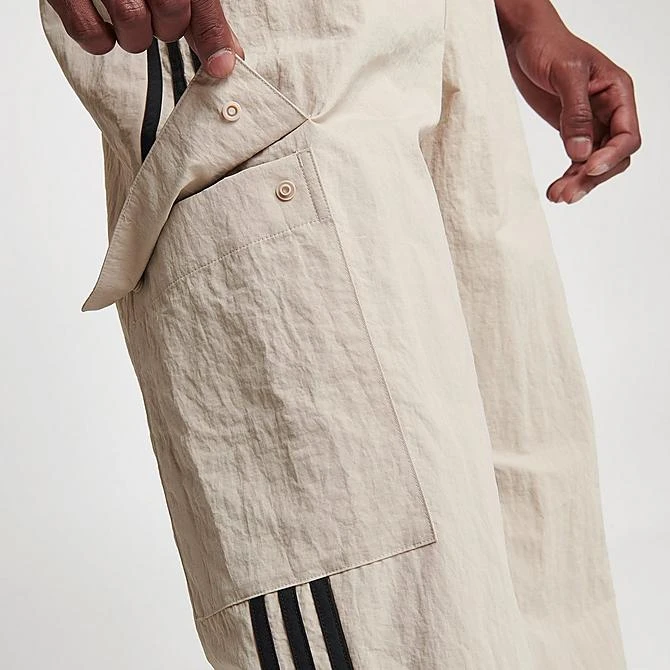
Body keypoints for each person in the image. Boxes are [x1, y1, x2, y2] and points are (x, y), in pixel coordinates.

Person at [40, 0, 640, 668]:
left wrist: (525, 15)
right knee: (399, 624)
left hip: (441, 41)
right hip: (256, 52)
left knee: (544, 590)